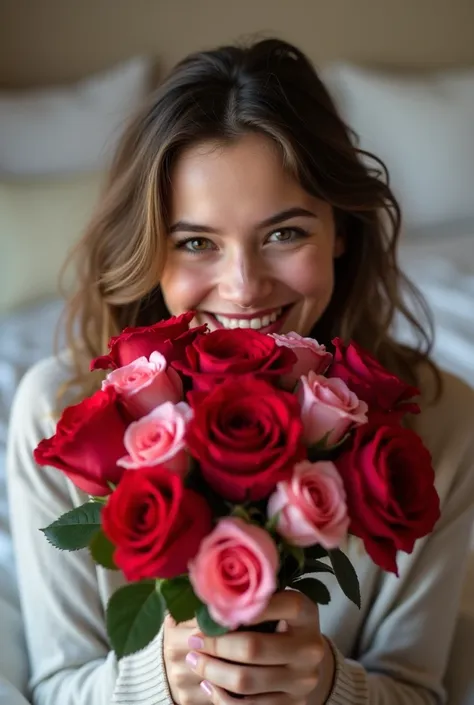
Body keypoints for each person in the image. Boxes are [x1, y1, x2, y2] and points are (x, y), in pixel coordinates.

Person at [6, 37, 474, 705]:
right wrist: (157, 681)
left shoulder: (443, 420)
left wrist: (330, 689)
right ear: (150, 250)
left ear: (340, 229)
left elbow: (421, 690)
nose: (244, 287)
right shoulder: (61, 415)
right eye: (196, 242)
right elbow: (53, 686)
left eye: (285, 233)